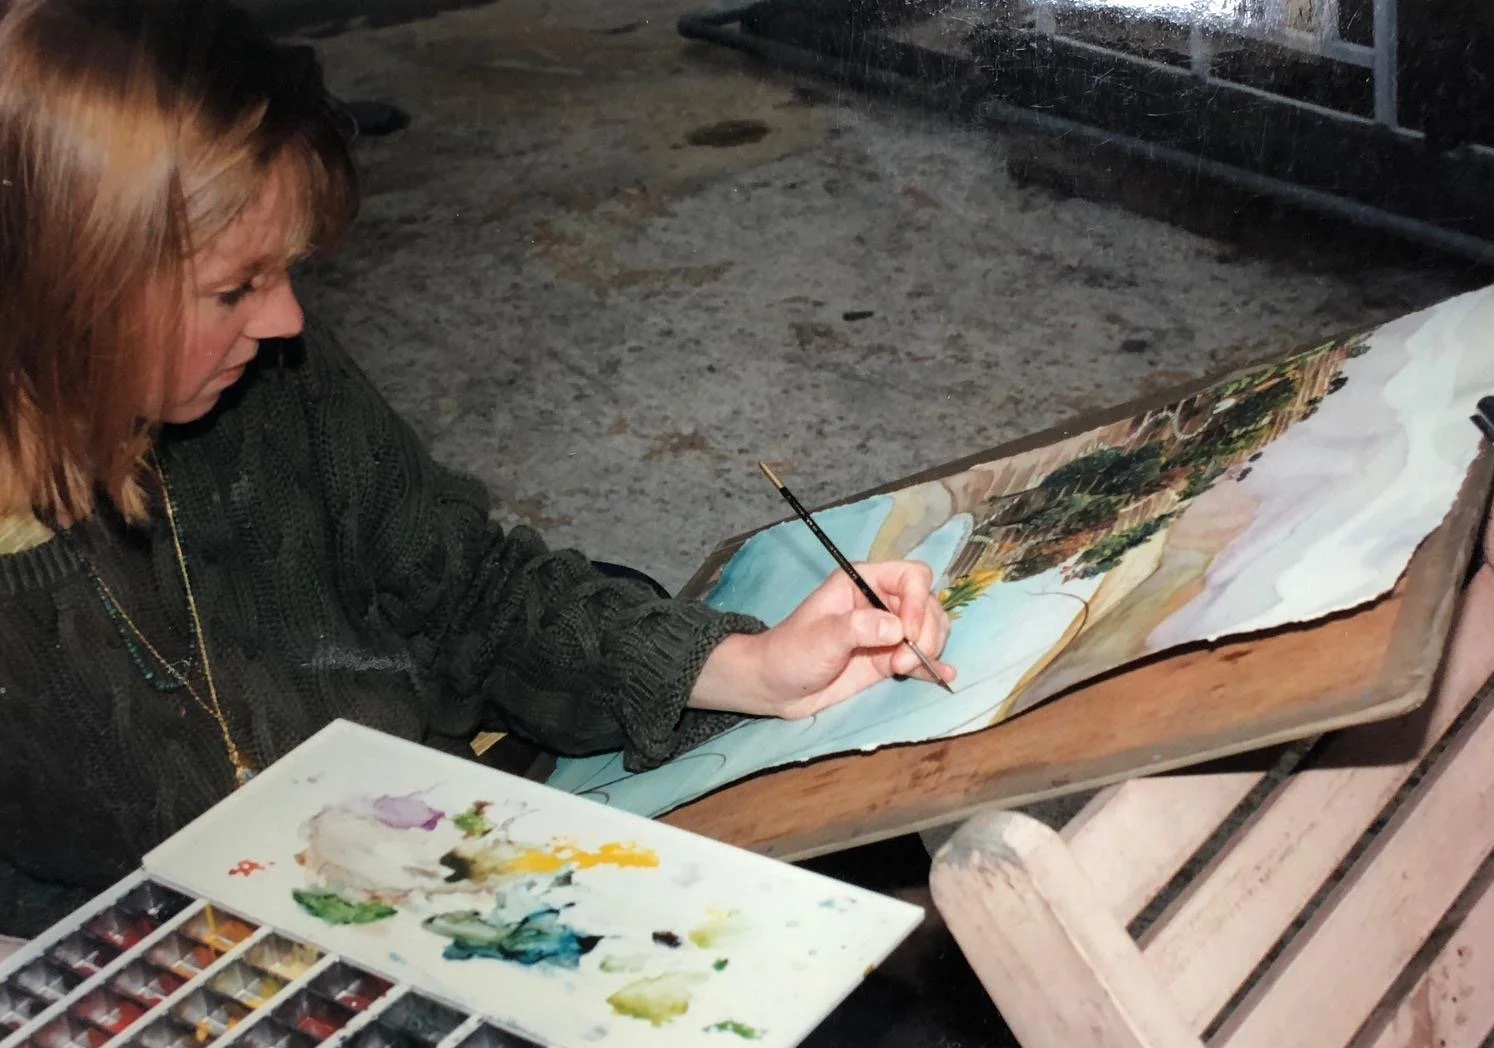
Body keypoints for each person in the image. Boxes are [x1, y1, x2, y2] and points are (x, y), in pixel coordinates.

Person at [0, 0, 955, 940]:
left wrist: (753, 667)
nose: (287, 320)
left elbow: (465, 594)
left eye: (286, 271)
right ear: (72, 283)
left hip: (450, 888)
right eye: (233, 287)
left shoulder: (264, 381)